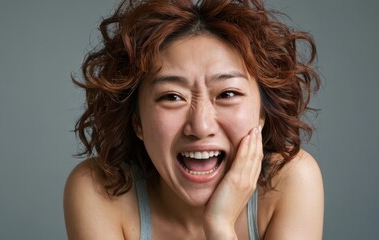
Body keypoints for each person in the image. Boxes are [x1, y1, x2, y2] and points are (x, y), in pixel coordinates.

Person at [64, 0, 324, 239]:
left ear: (262, 114)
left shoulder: (291, 181)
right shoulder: (98, 191)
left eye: (227, 94)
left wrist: (219, 226)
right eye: (172, 97)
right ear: (137, 121)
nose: (200, 127)